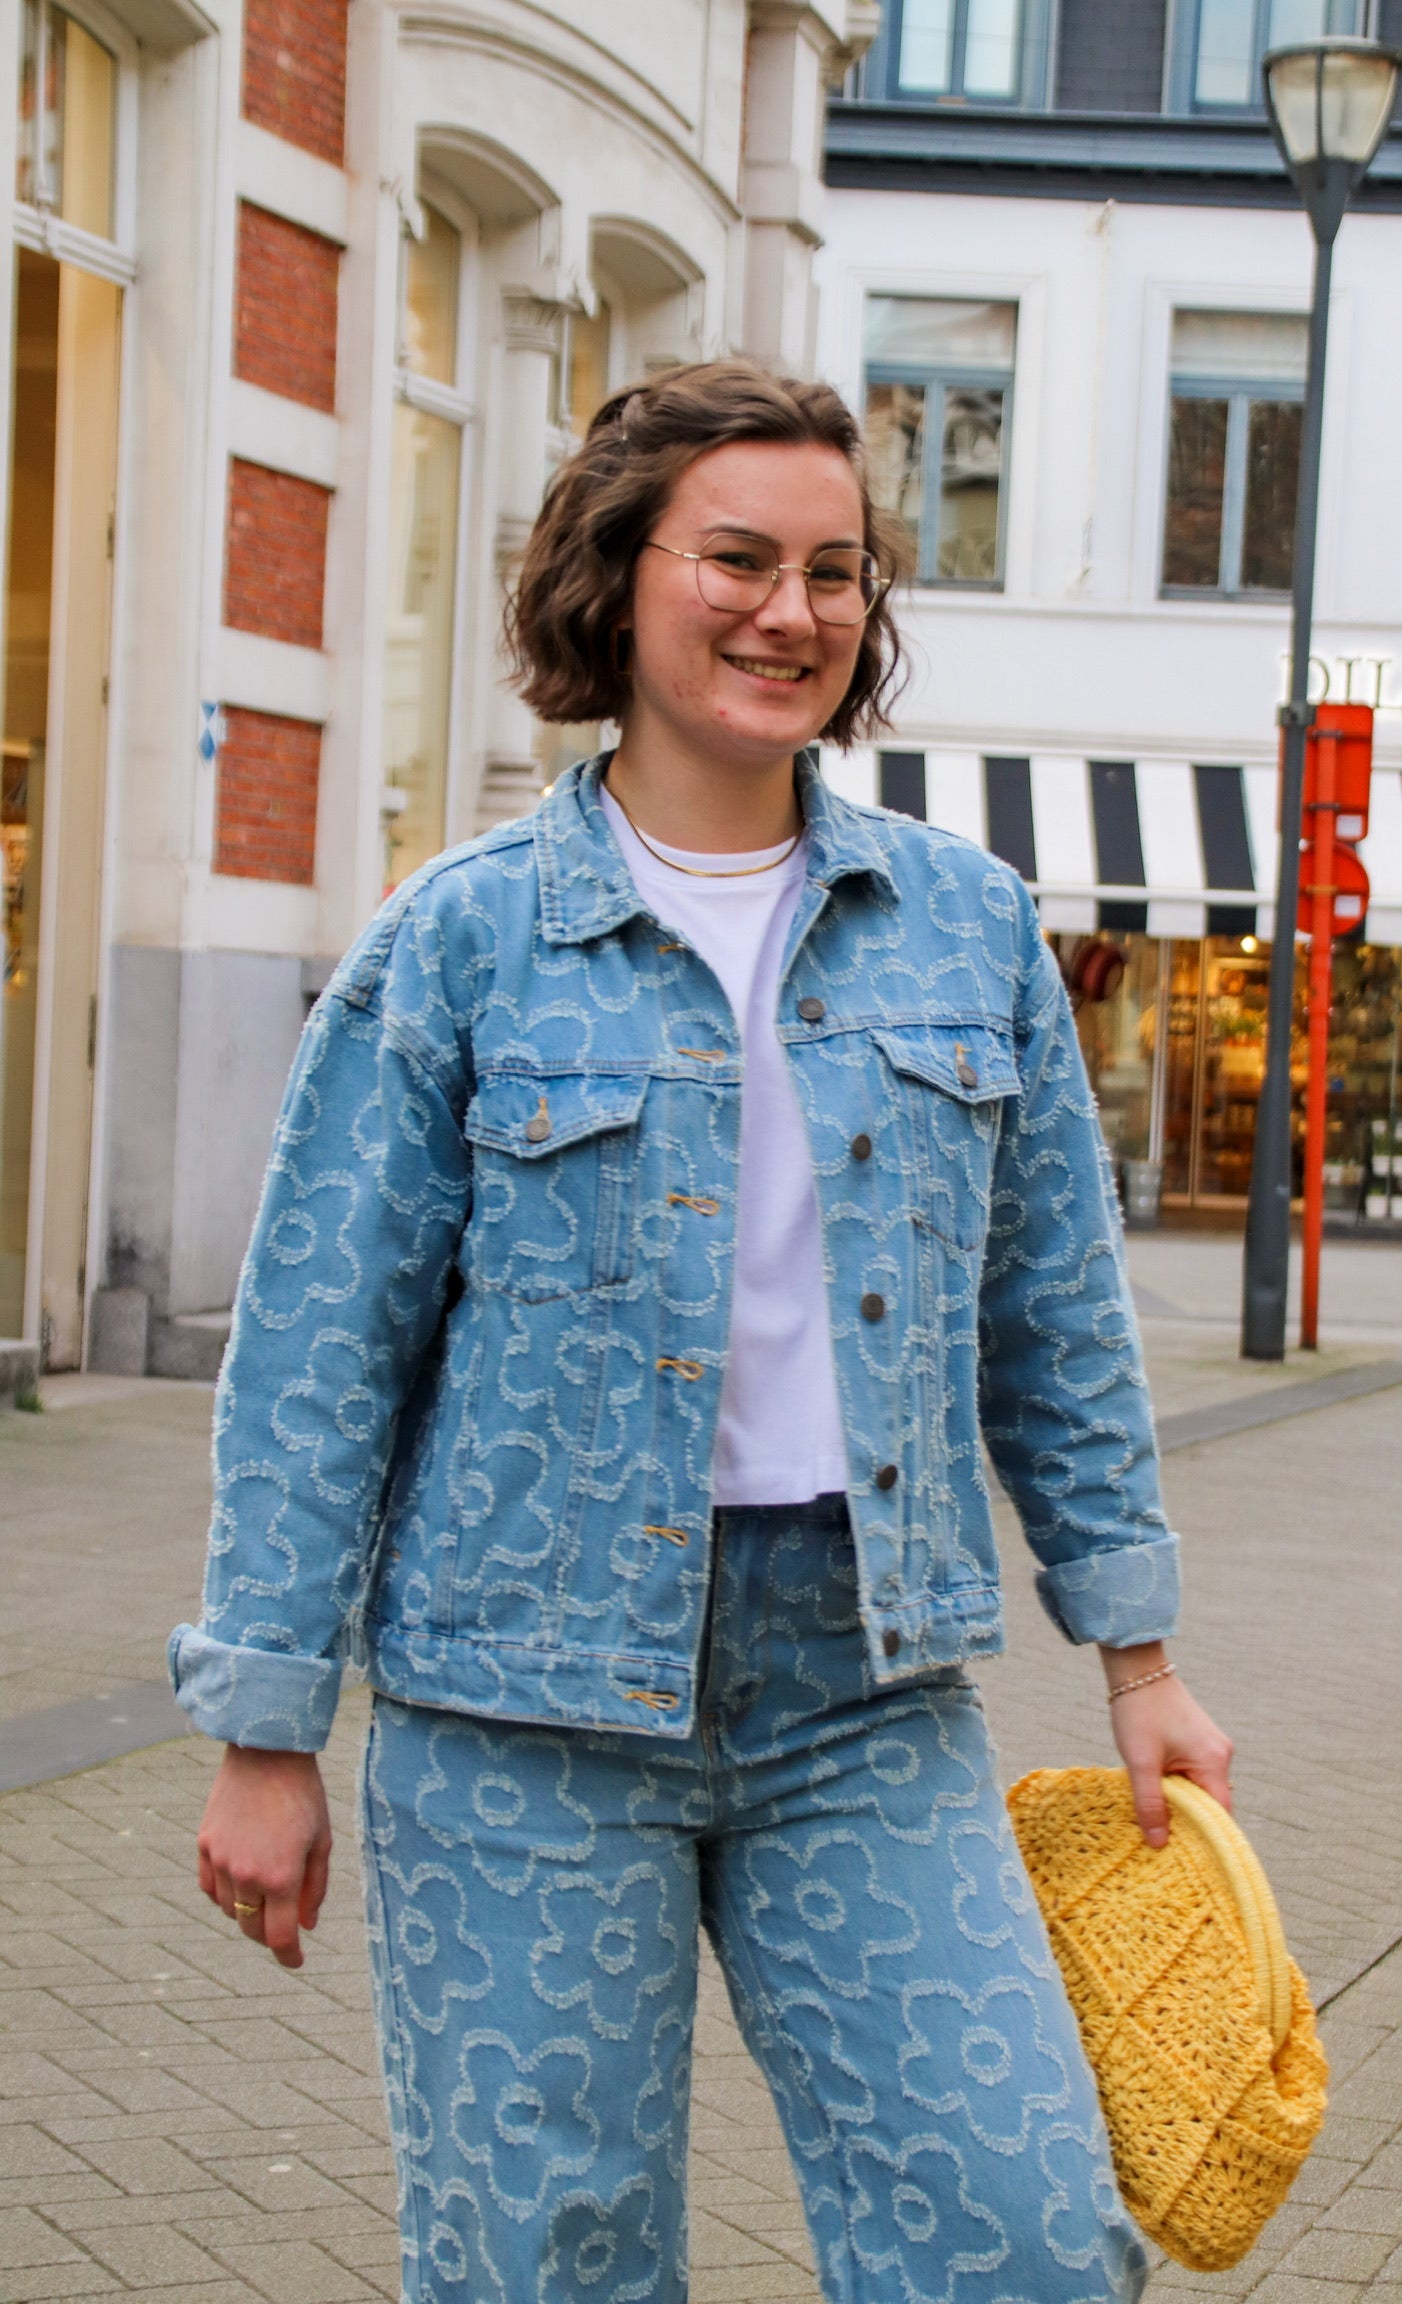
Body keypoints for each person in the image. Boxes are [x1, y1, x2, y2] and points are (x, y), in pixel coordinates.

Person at [171, 360, 1233, 2304]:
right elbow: (324, 1344)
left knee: (1023, 2241)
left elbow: (1056, 1314)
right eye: (737, 556)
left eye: (837, 572)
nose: (790, 612)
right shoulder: (463, 938)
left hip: (866, 1693)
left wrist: (1139, 1654)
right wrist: (264, 1726)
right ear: (620, 575)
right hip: (520, 1708)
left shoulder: (966, 928)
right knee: (548, 2263)